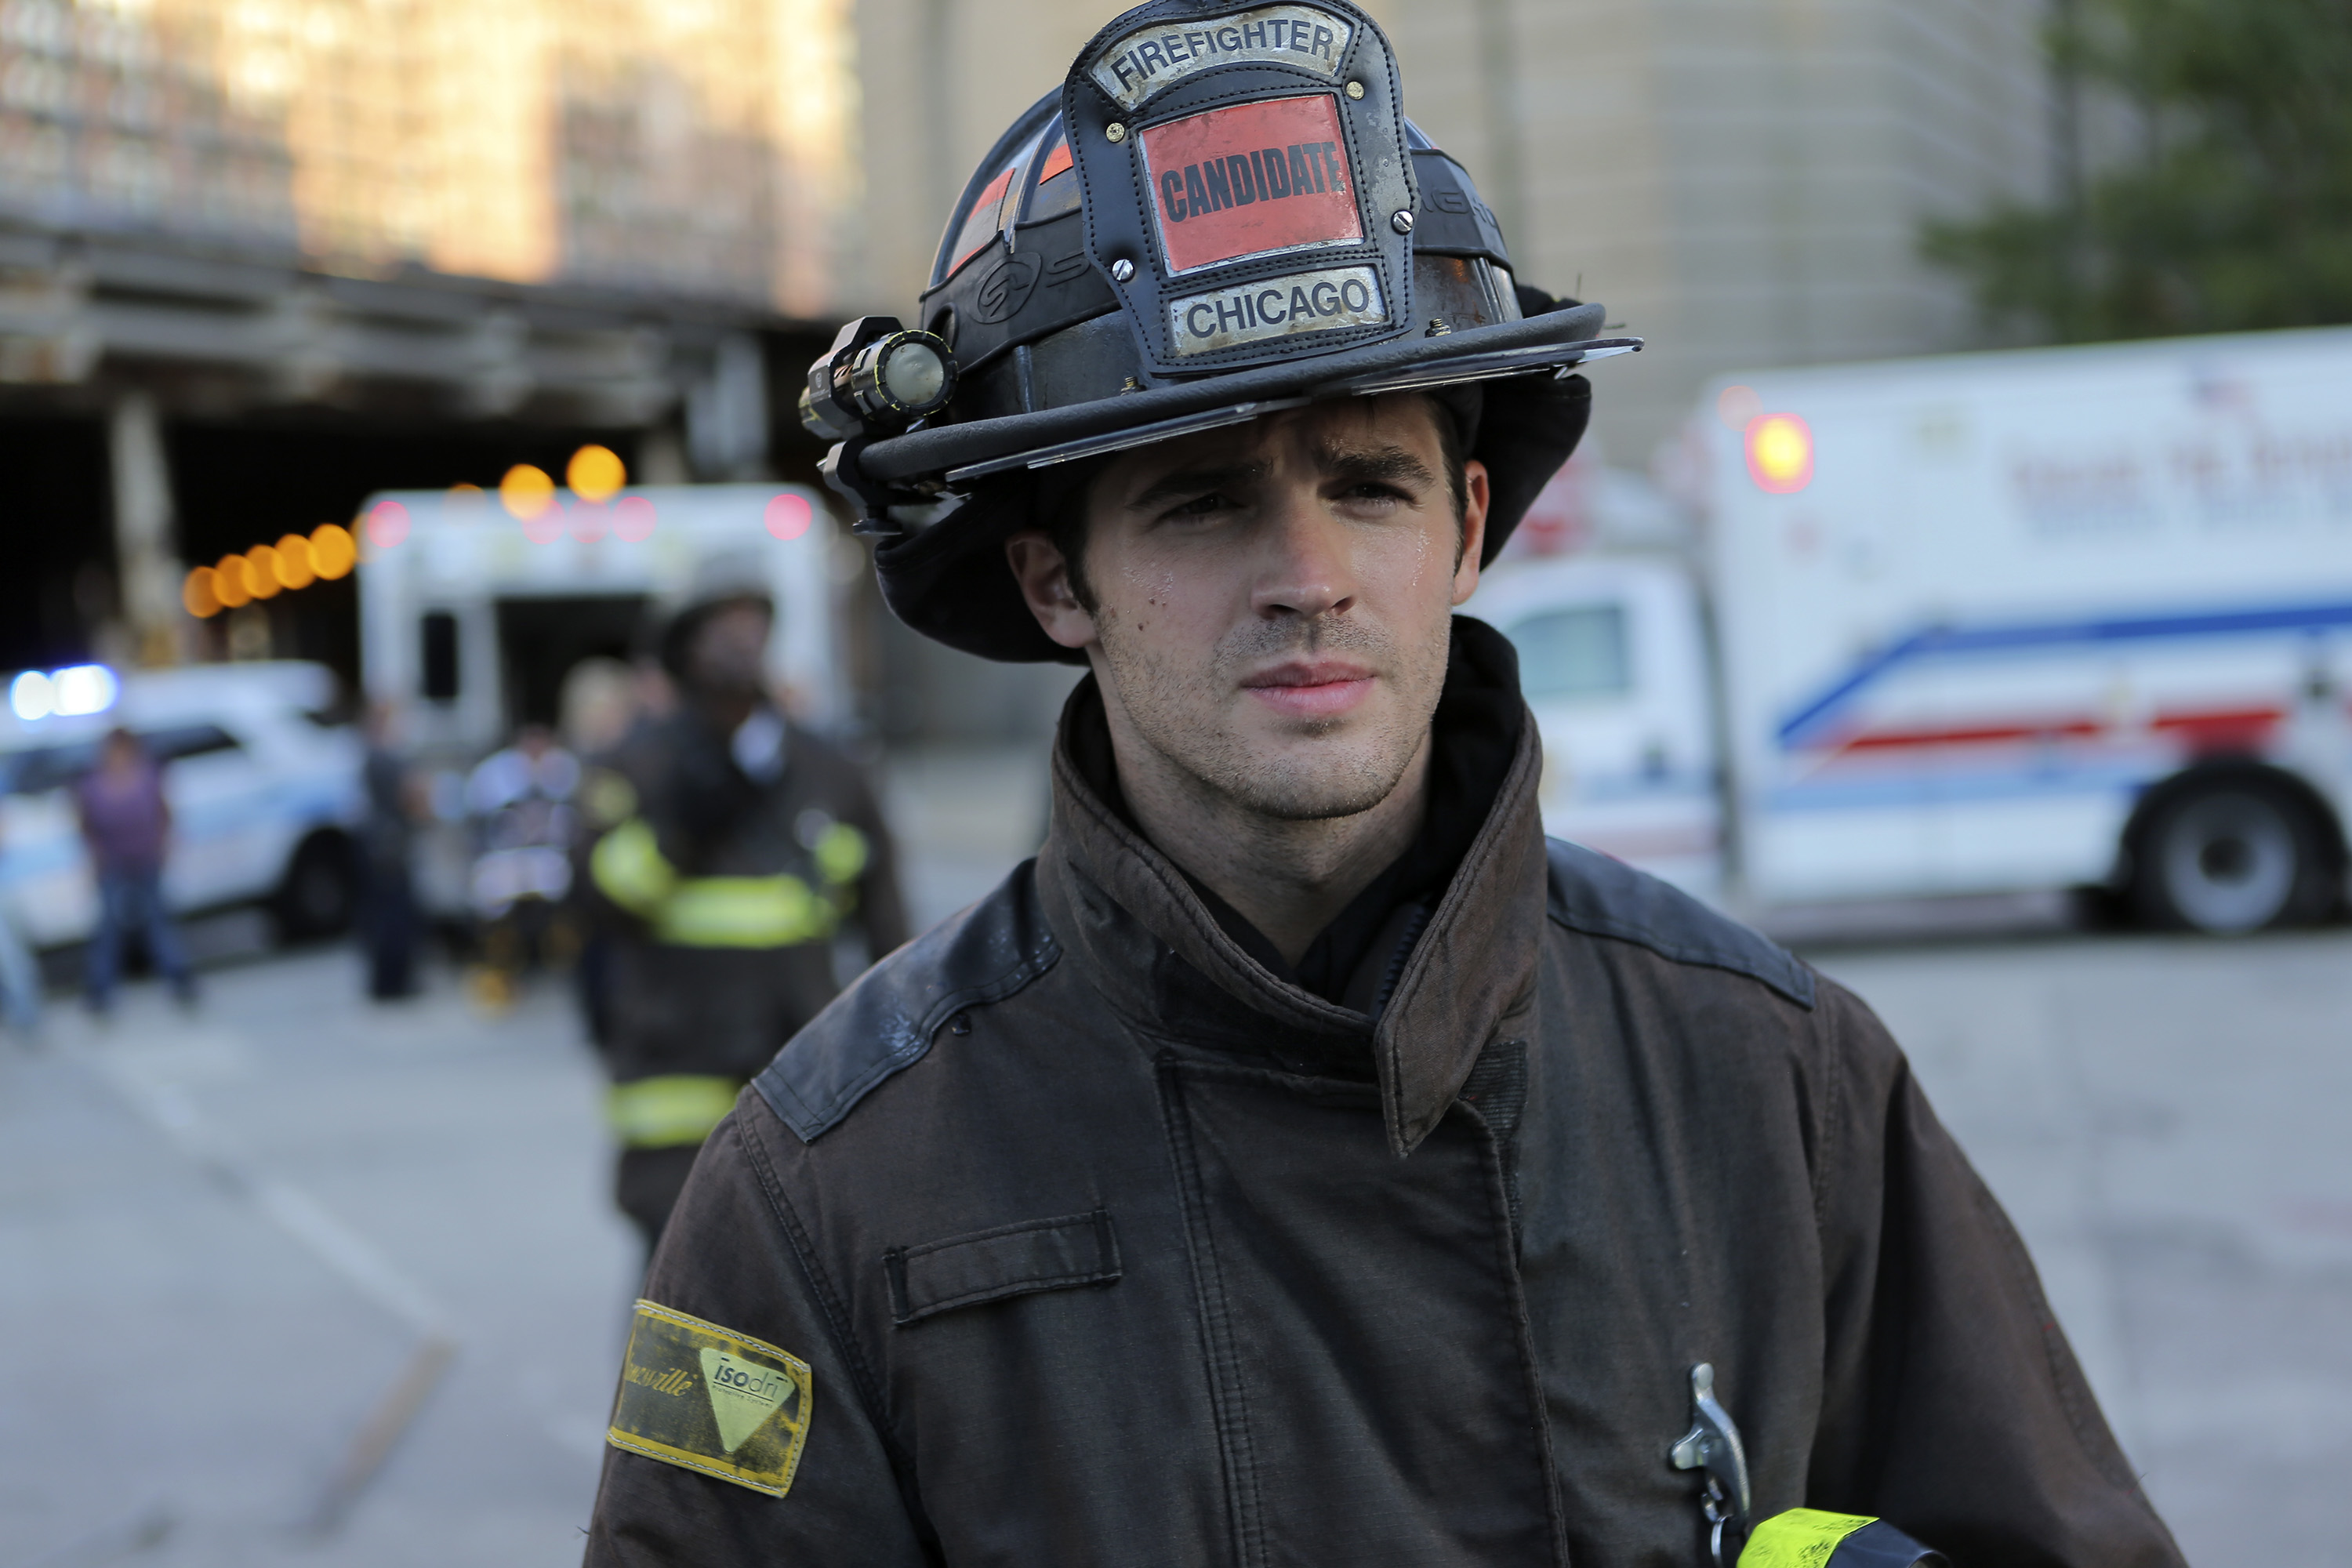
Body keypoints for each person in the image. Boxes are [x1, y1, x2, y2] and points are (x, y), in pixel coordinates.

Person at [586, 5, 2183, 1565]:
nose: (1309, 576)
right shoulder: (825, 1186)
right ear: (1055, 579)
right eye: (1202, 503)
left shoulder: (1773, 1079)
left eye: (1369, 486)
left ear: (1469, 527)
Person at [579, 553, 908, 1255]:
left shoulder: (831, 772)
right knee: (678, 1321)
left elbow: (890, 934)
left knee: (808, 1305)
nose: (741, 639)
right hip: (674, 1090)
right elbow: (596, 904)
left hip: (802, 1078)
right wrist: (678, 828)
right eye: (718, 624)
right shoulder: (633, 768)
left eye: (752, 620)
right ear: (681, 648)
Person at [73, 727, 194, 1013]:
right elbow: (84, 823)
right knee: (109, 928)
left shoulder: (146, 775)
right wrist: (94, 856)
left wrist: (164, 844)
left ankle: (179, 979)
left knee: (158, 922)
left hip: (146, 858)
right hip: (112, 862)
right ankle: (99, 990)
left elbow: (165, 812)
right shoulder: (94, 783)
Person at [463, 723, 581, 1009]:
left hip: (553, 856)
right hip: (505, 855)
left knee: (569, 894)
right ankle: (501, 966)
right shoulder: (495, 773)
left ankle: (564, 961)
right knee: (492, 894)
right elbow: (478, 822)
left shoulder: (566, 768)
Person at [358, 702, 424, 1000]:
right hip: (391, 848)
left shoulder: (370, 754)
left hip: (378, 845)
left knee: (381, 917)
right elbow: (410, 798)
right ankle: (393, 982)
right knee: (396, 918)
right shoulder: (387, 757)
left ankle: (386, 981)